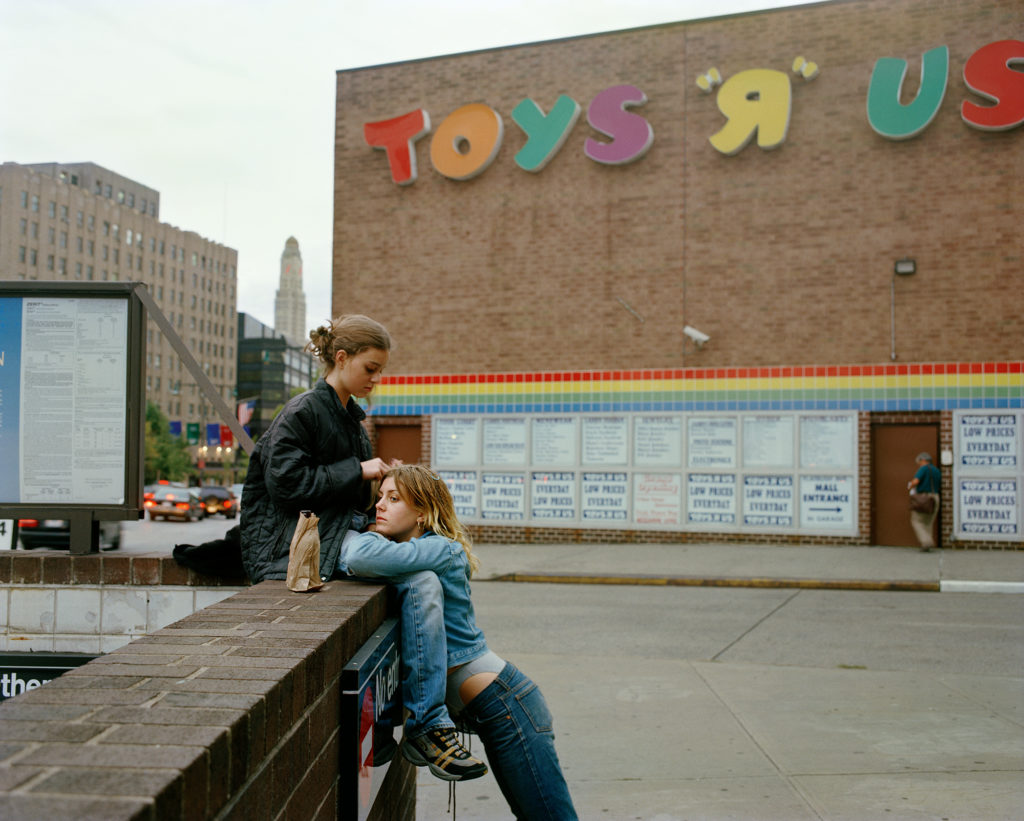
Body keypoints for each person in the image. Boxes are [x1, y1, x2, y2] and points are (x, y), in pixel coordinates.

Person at [240, 314, 485, 782]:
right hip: (298, 548)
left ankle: (427, 723)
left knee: (424, 582)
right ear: (341, 358)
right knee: (434, 561)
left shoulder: (350, 417)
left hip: (335, 536)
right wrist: (360, 470)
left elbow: (349, 494)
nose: (377, 378)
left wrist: (388, 487)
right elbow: (286, 486)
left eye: (381, 370)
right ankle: (452, 556)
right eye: (371, 368)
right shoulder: (304, 411)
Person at [339, 464, 579, 820]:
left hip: (511, 705)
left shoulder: (441, 550)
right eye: (379, 498)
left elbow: (356, 557)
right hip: (492, 706)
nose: (380, 506)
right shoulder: (410, 554)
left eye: (394, 499)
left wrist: (360, 534)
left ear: (422, 511)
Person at [908, 451, 941, 551]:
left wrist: (910, 485)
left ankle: (927, 542)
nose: (919, 464)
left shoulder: (923, 469)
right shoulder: (936, 470)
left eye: (919, 462)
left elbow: (916, 481)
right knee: (928, 522)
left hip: (924, 497)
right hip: (935, 497)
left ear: (923, 460)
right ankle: (927, 543)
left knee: (916, 521)